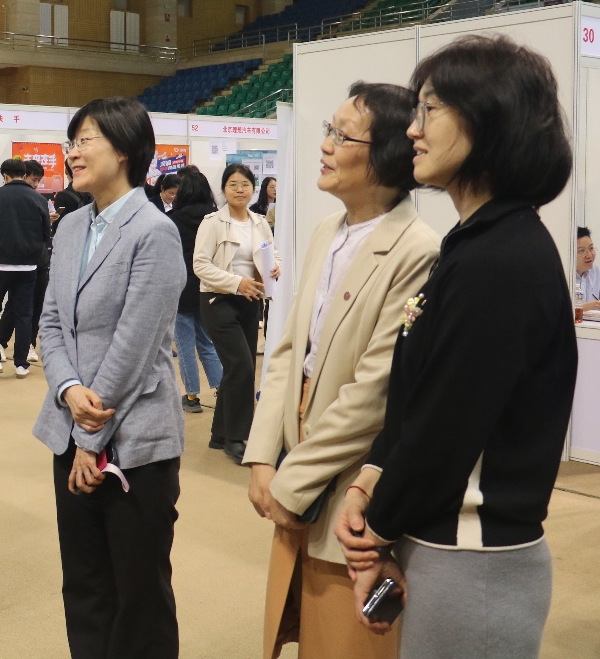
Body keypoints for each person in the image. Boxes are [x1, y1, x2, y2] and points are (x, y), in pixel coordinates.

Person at [336, 35, 576, 659]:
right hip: (442, 549)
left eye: (430, 109)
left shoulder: (502, 259)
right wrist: (369, 483)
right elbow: (417, 400)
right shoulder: (472, 245)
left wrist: (374, 530)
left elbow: (446, 426)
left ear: (489, 118)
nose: (413, 130)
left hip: (476, 561)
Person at [241, 82, 439, 659]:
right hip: (296, 447)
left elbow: (374, 393)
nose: (325, 145)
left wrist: (292, 481)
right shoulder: (327, 230)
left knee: (345, 632)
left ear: (387, 157)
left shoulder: (417, 248)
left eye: (342, 135)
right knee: (300, 623)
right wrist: (262, 455)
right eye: (328, 130)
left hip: (351, 472)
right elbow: (287, 349)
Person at [32, 97, 185, 659]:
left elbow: (134, 348)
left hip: (134, 443)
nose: (72, 152)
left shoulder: (154, 231)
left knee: (138, 594)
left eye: (85, 140)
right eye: (71, 142)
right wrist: (68, 390)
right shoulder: (72, 225)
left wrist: (89, 441)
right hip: (70, 430)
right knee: (85, 585)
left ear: (123, 150)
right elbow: (51, 322)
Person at [193, 163, 280, 463]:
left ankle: (219, 434)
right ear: (224, 189)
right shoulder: (212, 222)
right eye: (233, 184)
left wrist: (276, 266)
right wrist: (236, 282)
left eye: (245, 184)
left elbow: (272, 252)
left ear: (253, 189)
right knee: (241, 365)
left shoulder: (259, 222)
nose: (239, 190)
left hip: (250, 300)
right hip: (218, 300)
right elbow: (200, 265)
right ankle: (236, 437)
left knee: (239, 367)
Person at [0, 157, 50, 378]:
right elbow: (45, 233)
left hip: (0, 264)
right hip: (28, 266)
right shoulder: (39, 198)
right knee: (25, 313)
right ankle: (21, 365)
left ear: (5, 175)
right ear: (24, 174)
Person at [168, 166, 223, 413]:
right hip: (208, 286)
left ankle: (191, 396)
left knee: (185, 346)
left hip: (180, 288)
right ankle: (221, 389)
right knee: (207, 342)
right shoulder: (215, 219)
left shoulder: (173, 219)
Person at [0, 158, 53, 361]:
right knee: (15, 304)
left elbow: (45, 234)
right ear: (23, 176)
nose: (36, 184)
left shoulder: (40, 200)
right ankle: (0, 343)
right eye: (33, 179)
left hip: (39, 261)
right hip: (18, 262)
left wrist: (47, 220)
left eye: (39, 180)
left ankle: (30, 344)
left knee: (37, 305)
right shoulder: (7, 198)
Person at [576, 227, 600, 313]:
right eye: (582, 251)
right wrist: (589, 306)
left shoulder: (597, 272)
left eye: (591, 248)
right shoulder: (564, 276)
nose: (589, 255)